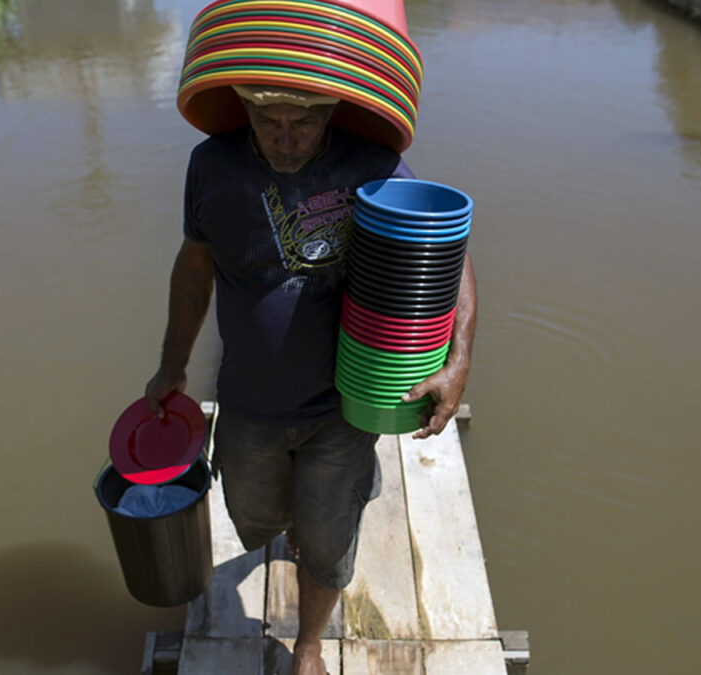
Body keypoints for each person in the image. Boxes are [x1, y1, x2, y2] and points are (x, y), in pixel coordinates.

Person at [145, 84, 476, 675]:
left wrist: (458, 364)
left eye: (303, 122)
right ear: (244, 110)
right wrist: (172, 365)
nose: (286, 139)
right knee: (256, 519)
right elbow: (194, 266)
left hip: (342, 409)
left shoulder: (371, 165)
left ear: (331, 113)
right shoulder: (211, 164)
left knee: (325, 546)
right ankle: (304, 515)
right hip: (248, 404)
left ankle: (308, 647)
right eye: (268, 121)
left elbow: (449, 250)